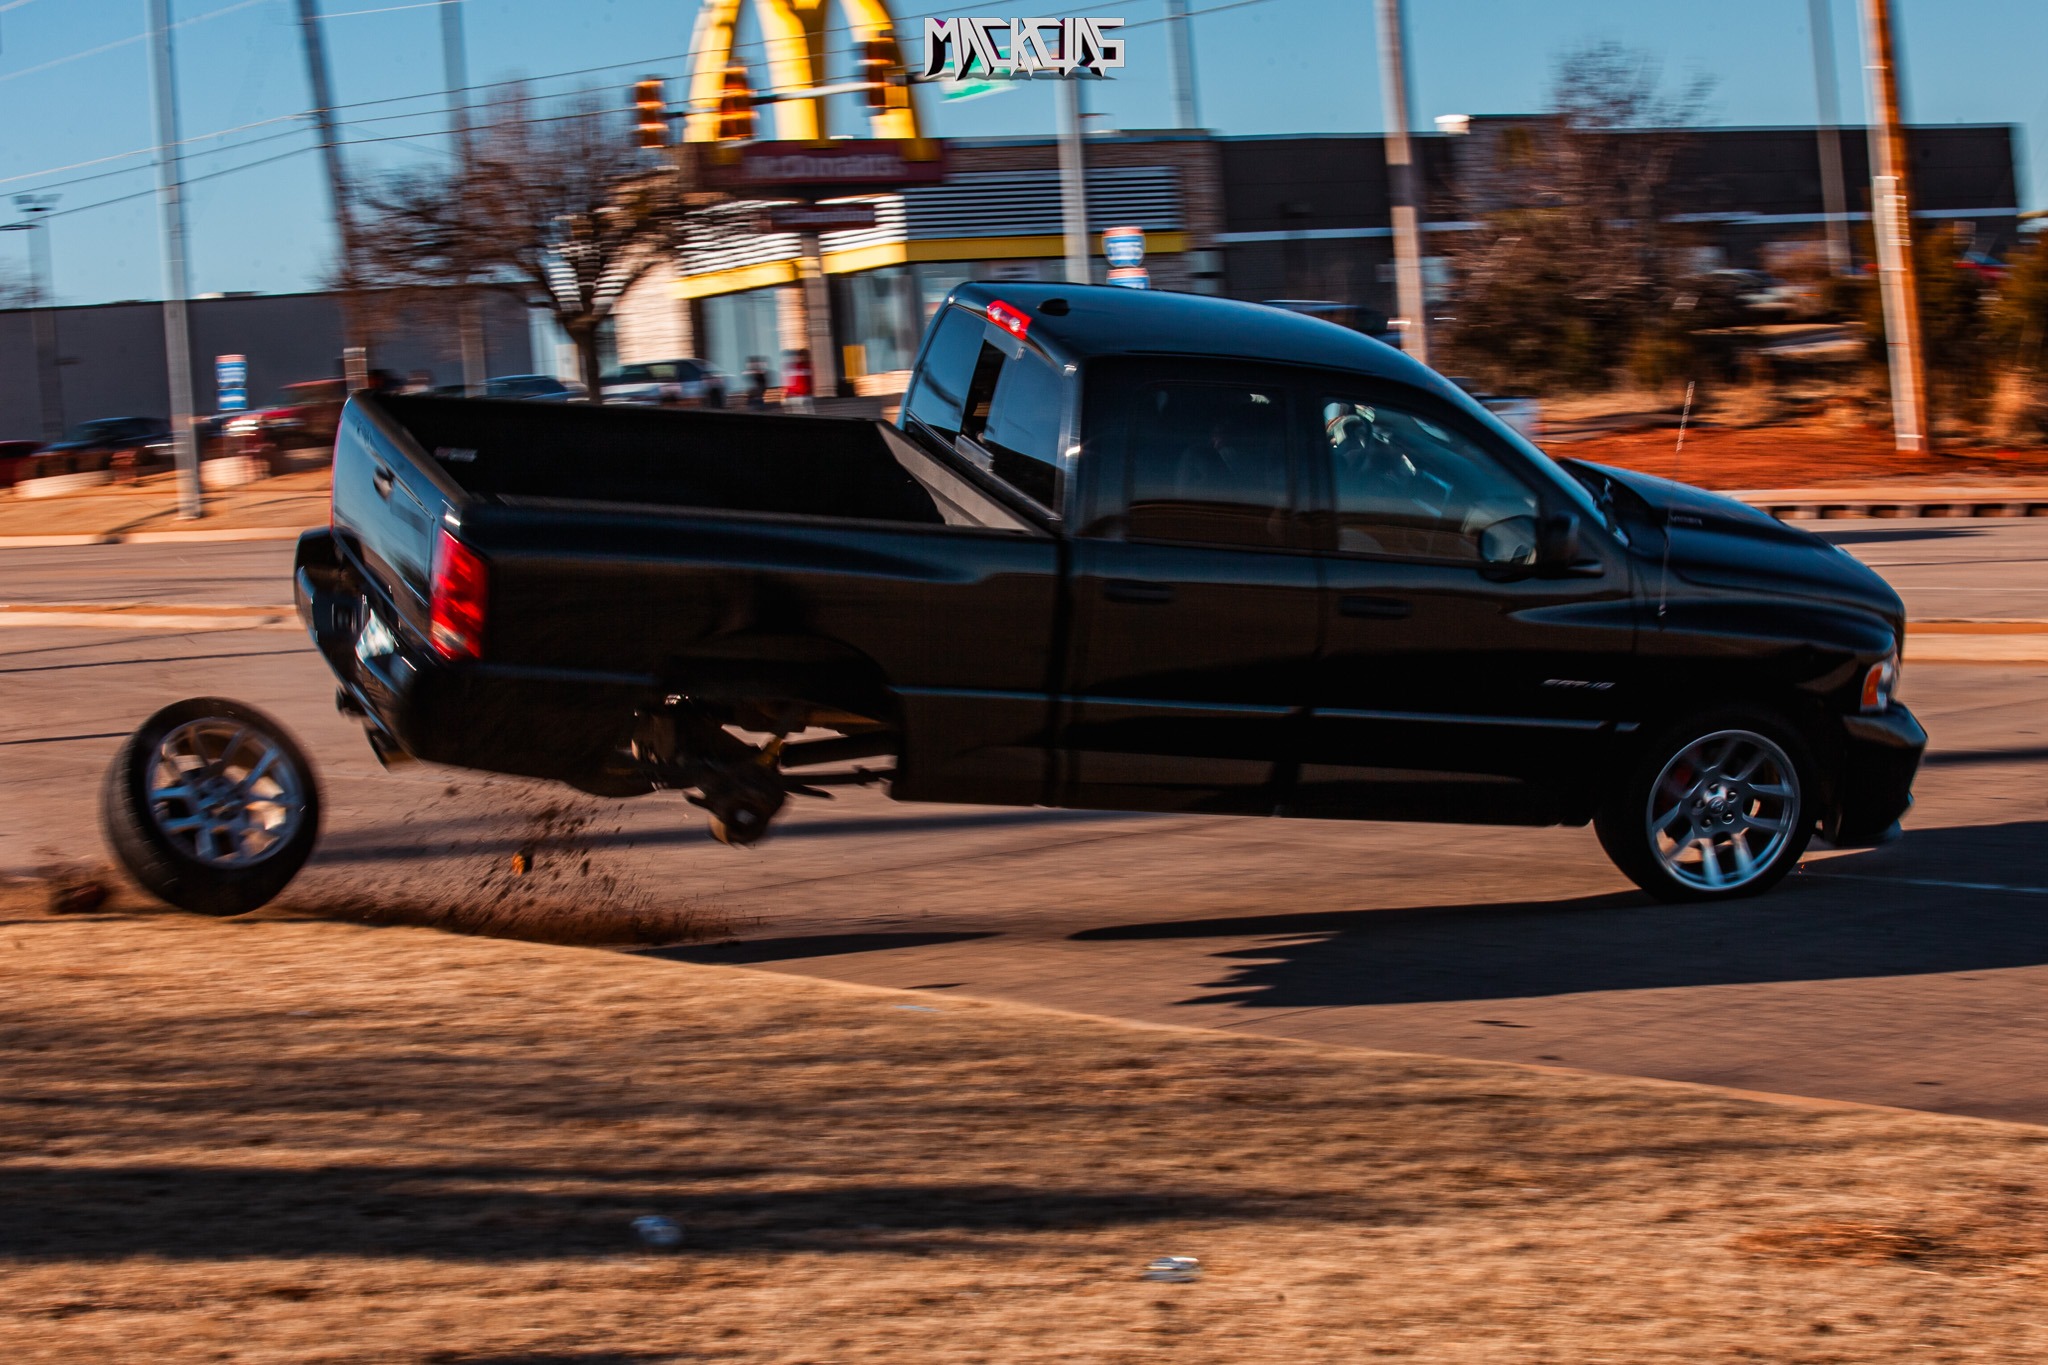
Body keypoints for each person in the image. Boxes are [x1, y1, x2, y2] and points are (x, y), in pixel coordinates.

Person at [783, 348, 814, 413]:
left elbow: (808, 381)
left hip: (804, 395)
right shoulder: (796, 367)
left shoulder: (806, 366)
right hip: (797, 395)